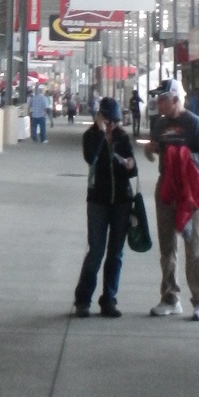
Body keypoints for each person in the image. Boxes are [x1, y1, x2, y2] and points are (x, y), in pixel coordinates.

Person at [145, 78, 199, 321]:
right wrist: (150, 151)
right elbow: (153, 149)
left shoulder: (195, 125)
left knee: (194, 247)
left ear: (175, 99)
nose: (159, 103)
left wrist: (186, 158)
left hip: (188, 193)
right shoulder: (160, 124)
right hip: (166, 189)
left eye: (162, 99)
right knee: (167, 248)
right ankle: (170, 297)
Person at [72, 97, 136, 319]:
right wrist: (100, 133)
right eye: (107, 121)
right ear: (100, 118)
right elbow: (90, 157)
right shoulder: (90, 136)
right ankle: (83, 300)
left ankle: (109, 299)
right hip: (97, 201)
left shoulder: (122, 138)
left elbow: (132, 170)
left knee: (115, 253)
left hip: (121, 201)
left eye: (114, 122)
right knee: (96, 251)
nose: (111, 126)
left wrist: (130, 165)